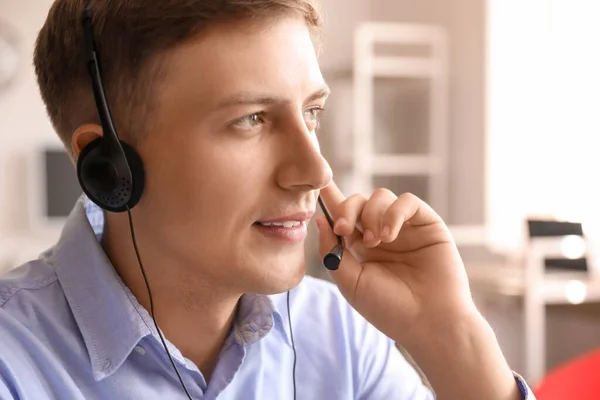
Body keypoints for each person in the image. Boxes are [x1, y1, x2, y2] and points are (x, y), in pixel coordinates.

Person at [0, 0, 534, 399]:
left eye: (312, 113)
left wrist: (449, 334)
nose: (316, 170)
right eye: (251, 118)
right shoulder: (15, 363)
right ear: (109, 166)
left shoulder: (340, 338)